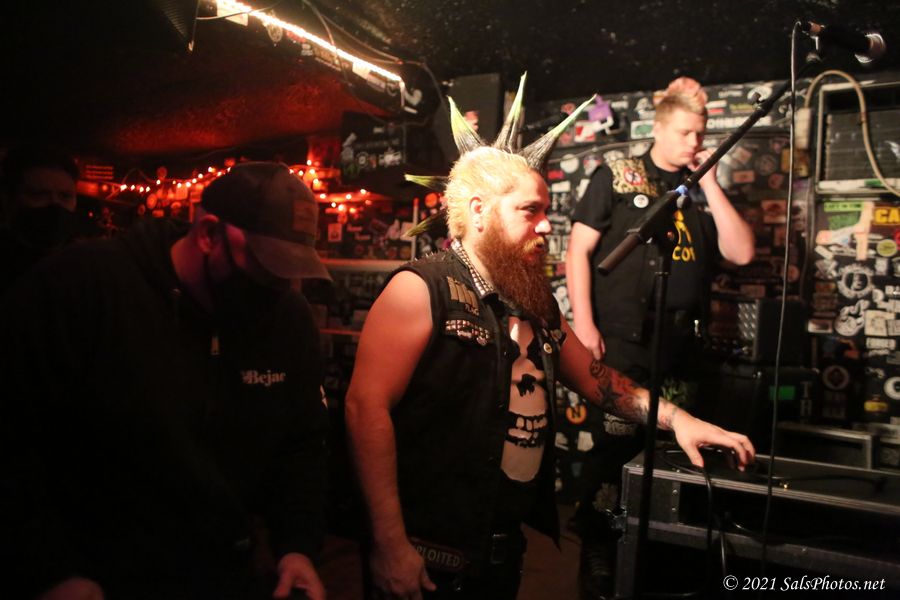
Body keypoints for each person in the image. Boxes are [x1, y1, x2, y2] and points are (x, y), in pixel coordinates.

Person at [344, 76, 755, 600]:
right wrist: (388, 543)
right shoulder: (419, 289)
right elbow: (364, 409)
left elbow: (598, 381)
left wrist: (681, 420)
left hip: (499, 546)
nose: (545, 226)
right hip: (427, 549)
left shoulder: (534, 301)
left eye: (545, 211)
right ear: (478, 210)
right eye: (529, 211)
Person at [1, 162, 332, 600]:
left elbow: (302, 443)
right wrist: (51, 569)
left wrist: (298, 548)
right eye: (265, 264)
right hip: (95, 575)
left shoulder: (287, 318)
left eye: (290, 269)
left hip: (224, 572)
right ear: (209, 234)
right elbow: (12, 438)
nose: (278, 284)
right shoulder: (80, 286)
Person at [565, 76, 755, 597]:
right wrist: (584, 323)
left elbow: (741, 253)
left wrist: (710, 183)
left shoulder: (700, 191)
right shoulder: (618, 175)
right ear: (659, 128)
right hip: (624, 339)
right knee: (613, 449)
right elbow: (578, 251)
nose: (695, 142)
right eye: (686, 132)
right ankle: (598, 552)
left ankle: (654, 554)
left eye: (701, 134)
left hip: (681, 346)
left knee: (673, 449)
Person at [0, 143, 80, 292]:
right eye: (39, 195)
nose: (55, 205)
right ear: (8, 199)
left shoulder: (86, 265)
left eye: (65, 196)